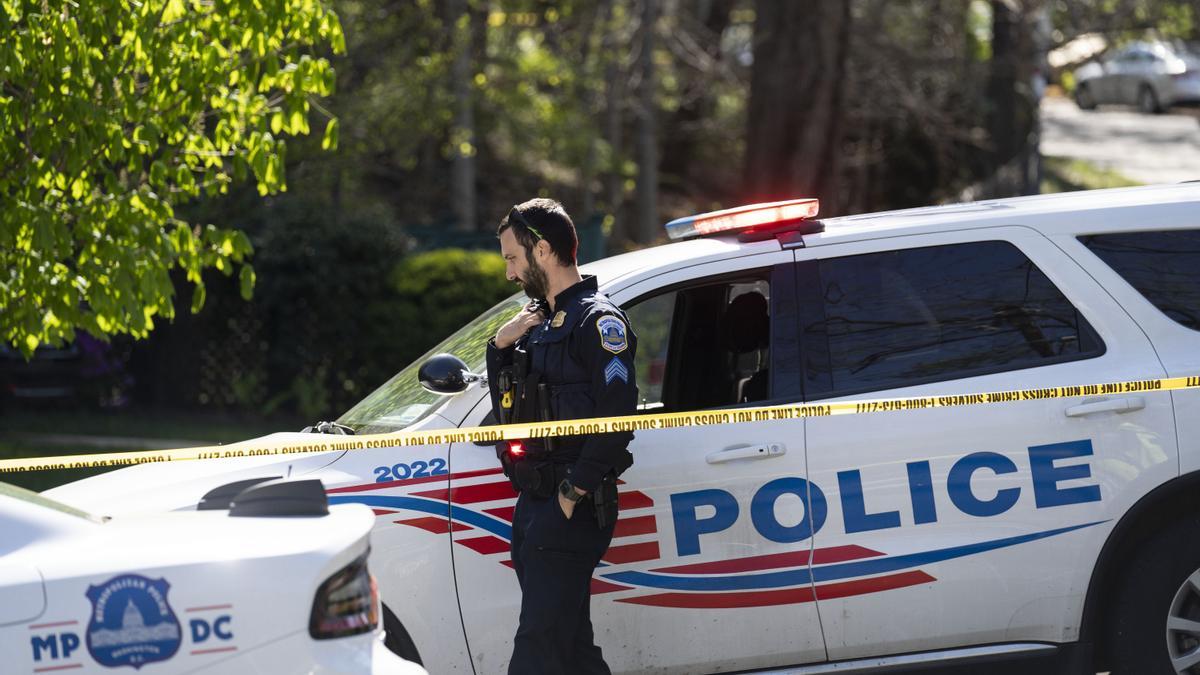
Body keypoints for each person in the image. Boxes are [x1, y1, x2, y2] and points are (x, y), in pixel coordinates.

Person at [485, 198, 638, 674]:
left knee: (538, 648)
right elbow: (508, 409)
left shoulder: (598, 322)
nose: (510, 273)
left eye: (514, 258)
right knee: (571, 649)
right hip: (534, 505)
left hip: (570, 508)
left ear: (544, 250)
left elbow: (617, 419)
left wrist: (572, 494)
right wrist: (498, 347)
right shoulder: (535, 324)